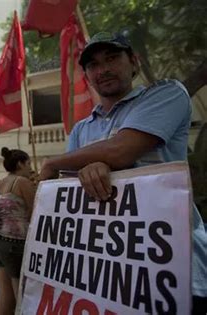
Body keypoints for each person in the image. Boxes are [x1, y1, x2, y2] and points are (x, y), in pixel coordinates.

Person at [39, 31, 207, 314]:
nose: (102, 69)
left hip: (175, 270)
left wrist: (54, 163)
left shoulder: (167, 94)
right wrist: (92, 164)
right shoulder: (81, 129)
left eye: (112, 58)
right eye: (93, 65)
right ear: (88, 76)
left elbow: (121, 150)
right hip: (106, 277)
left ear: (134, 62)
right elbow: (68, 192)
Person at [0, 147, 36, 315]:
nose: (30, 167)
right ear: (20, 163)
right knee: (21, 299)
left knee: (6, 298)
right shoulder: (22, 182)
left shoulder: (1, 183)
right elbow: (35, 210)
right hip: (15, 243)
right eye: (28, 163)